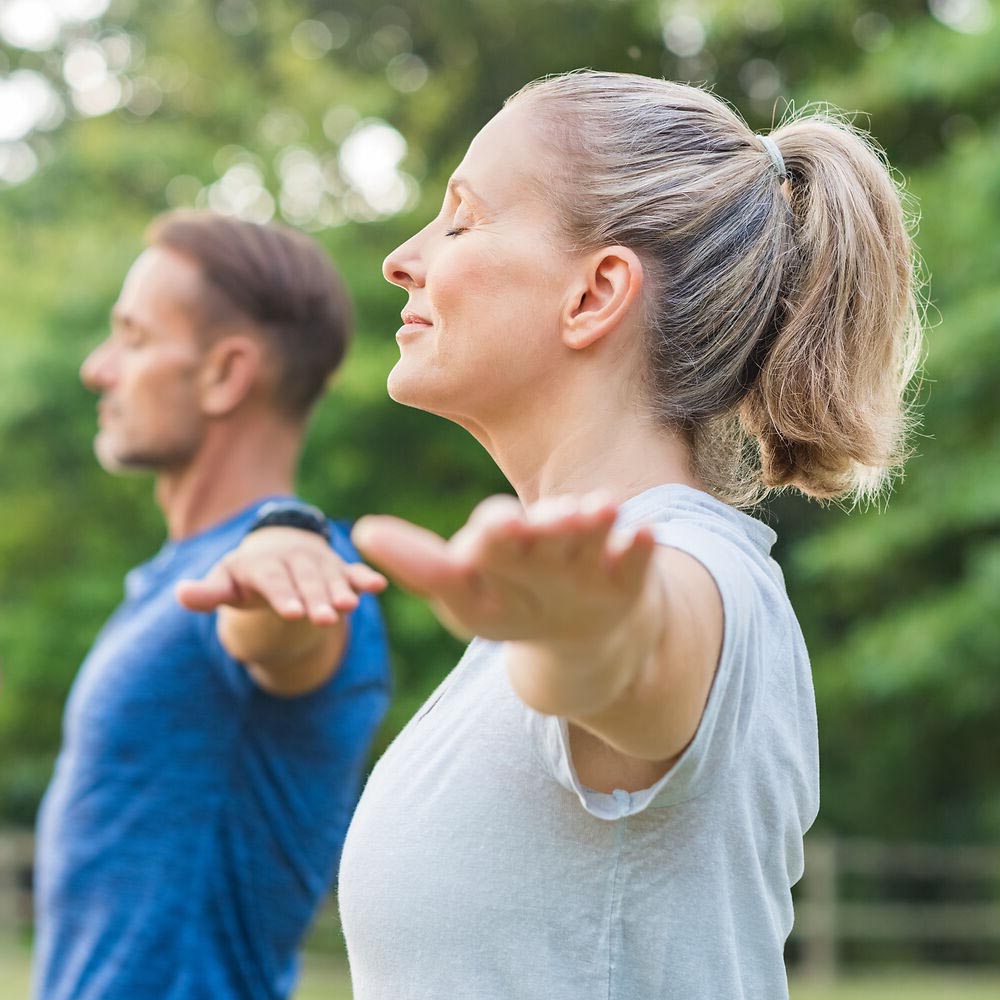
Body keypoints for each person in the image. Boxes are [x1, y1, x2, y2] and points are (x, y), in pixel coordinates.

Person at [194, 70, 923, 998]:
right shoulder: (549, 611)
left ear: (594, 293)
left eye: (461, 218)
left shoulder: (690, 576)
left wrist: (583, 636)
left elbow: (637, 650)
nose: (403, 259)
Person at [32, 211, 391, 1000]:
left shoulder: (301, 576)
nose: (98, 368)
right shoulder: (177, 578)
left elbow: (280, 627)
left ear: (226, 374)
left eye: (132, 338)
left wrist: (283, 552)